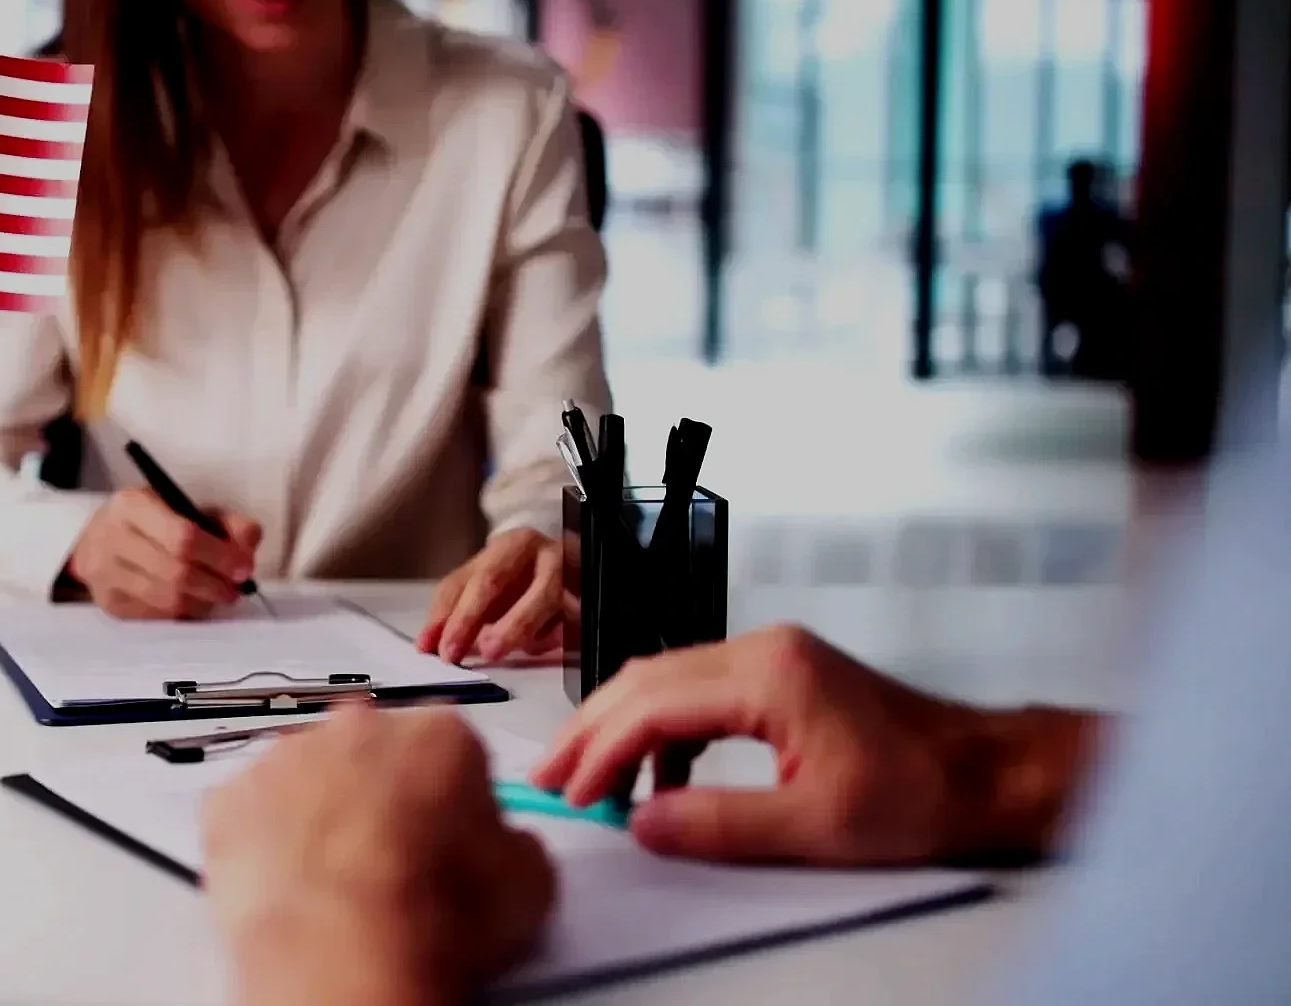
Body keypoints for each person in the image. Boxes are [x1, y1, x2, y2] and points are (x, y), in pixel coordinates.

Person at [203, 430, 1291, 1003]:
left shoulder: (495, 105)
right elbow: (13, 464)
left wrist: (333, 939)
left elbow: (549, 453)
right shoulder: (48, 94)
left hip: (446, 641)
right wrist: (997, 764)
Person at [0, 0, 611, 661]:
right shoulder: (41, 125)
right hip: (141, 677)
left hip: (424, 674)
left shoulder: (510, 111)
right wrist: (76, 543)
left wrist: (537, 540)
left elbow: (559, 453)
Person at [1035, 159, 1131, 379]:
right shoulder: (1100, 217)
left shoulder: (1054, 217)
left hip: (1063, 289)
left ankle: (1079, 361)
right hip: (1085, 291)